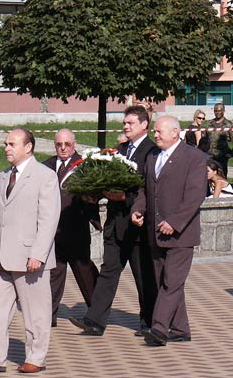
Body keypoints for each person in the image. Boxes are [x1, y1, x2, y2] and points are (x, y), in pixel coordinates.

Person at [0, 128, 60, 373]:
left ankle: (35, 357)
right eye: (6, 144)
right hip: (2, 256)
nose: (6, 148)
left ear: (28, 147)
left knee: (36, 313)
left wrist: (38, 254)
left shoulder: (45, 176)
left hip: (31, 257)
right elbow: (1, 216)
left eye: (12, 144)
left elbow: (49, 219)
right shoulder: (3, 175)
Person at [69, 105, 158, 337]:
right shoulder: (119, 150)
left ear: (144, 125)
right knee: (109, 270)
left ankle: (149, 322)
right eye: (125, 122)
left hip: (137, 225)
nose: (125, 126)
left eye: (130, 123)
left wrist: (125, 197)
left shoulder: (152, 151)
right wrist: (95, 192)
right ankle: (94, 320)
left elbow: (148, 187)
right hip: (115, 224)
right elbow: (106, 178)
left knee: (143, 275)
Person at [131, 116, 206, 346]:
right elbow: (145, 189)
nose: (156, 135)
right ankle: (181, 329)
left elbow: (195, 196)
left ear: (176, 132)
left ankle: (159, 329)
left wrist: (174, 222)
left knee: (171, 282)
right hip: (155, 233)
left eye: (159, 131)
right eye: (154, 131)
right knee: (168, 281)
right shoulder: (153, 156)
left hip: (181, 235)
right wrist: (138, 209)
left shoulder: (194, 157)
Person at [43, 129, 100, 327]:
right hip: (53, 231)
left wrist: (94, 214)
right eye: (59, 144)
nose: (63, 148)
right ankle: (48, 315)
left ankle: (98, 312)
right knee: (53, 274)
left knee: (84, 271)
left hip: (76, 229)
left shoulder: (83, 166)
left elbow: (95, 193)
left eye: (67, 144)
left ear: (74, 145)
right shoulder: (47, 166)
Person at [207, 103, 233, 177]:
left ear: (223, 111)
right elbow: (204, 139)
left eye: (219, 110)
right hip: (210, 156)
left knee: (222, 178)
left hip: (222, 157)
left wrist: (230, 154)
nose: (217, 113)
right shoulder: (209, 124)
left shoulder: (229, 125)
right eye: (215, 111)